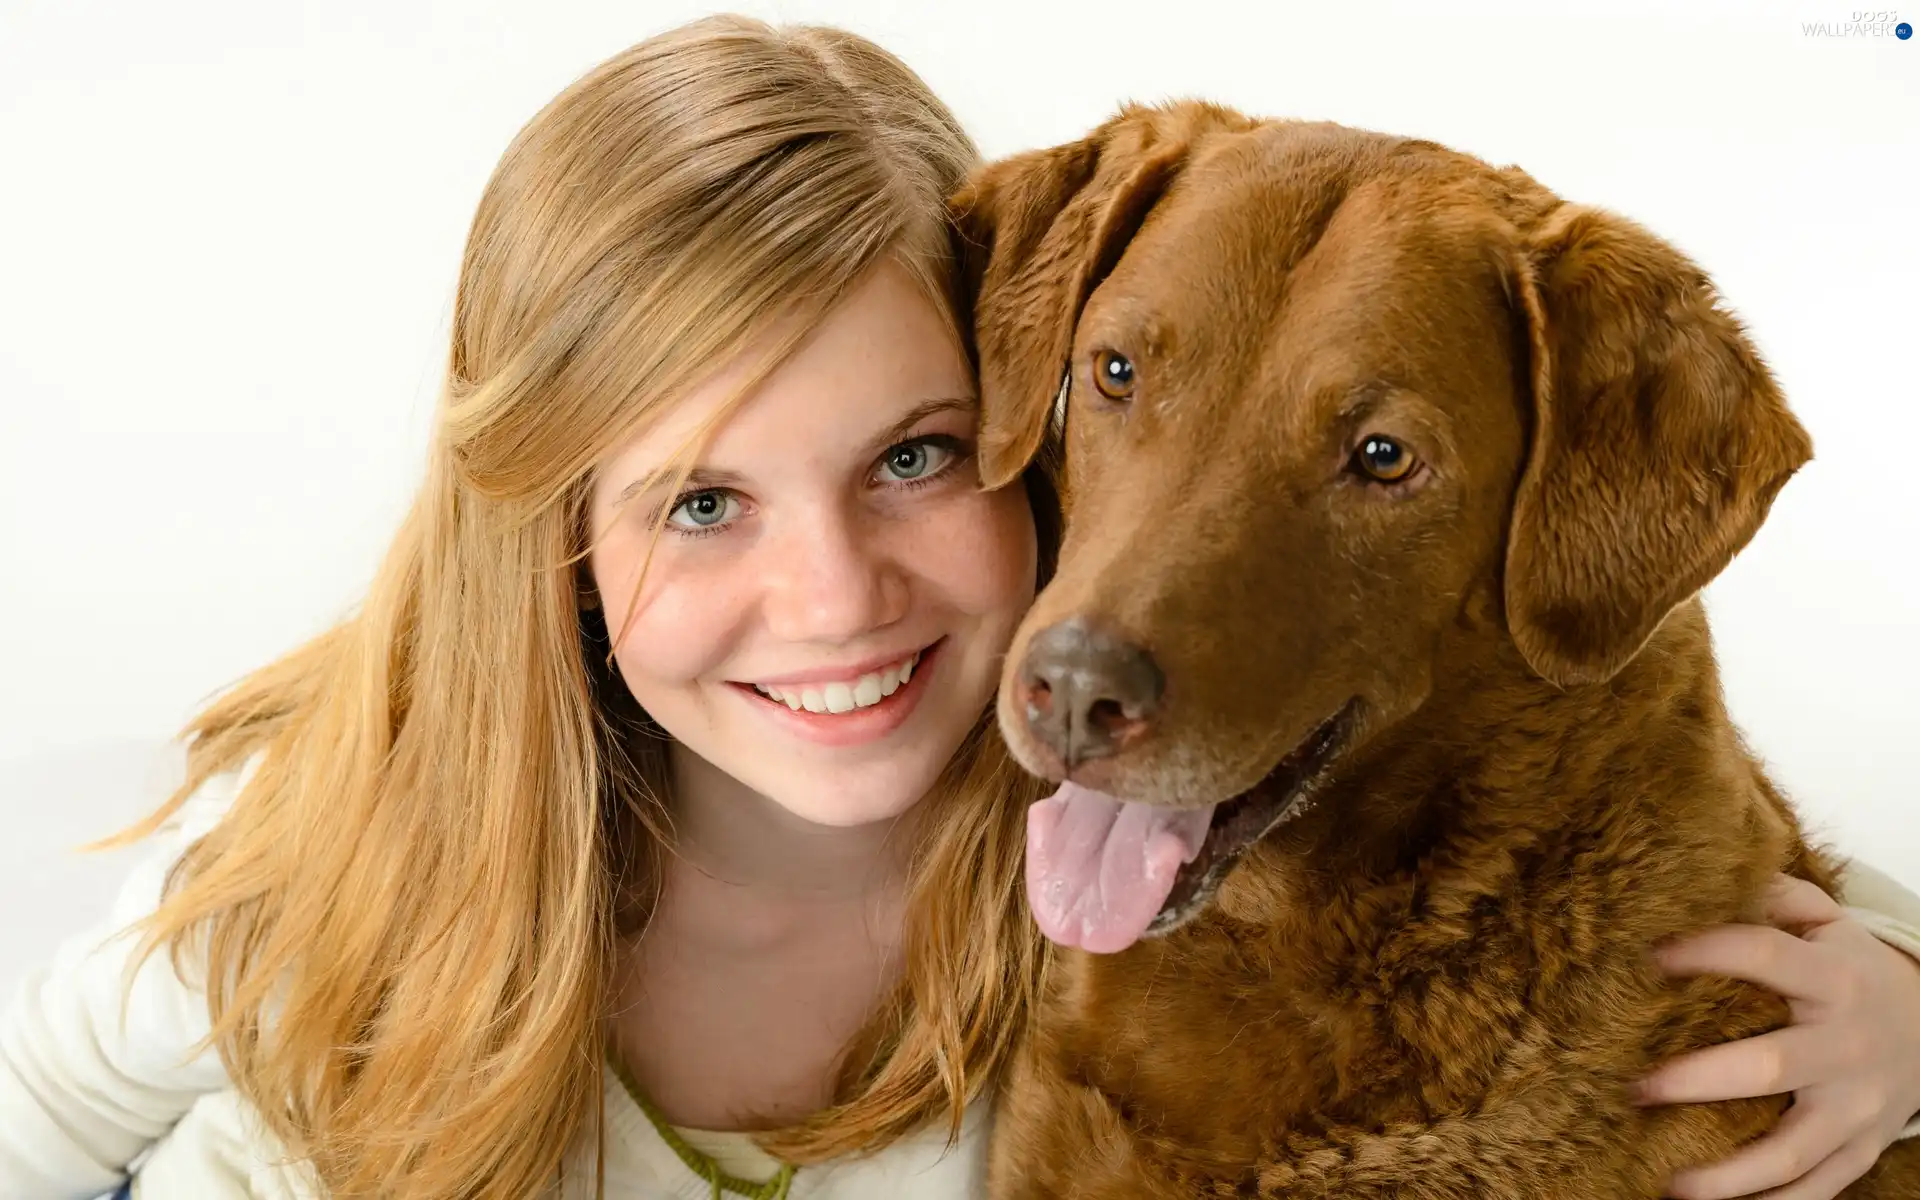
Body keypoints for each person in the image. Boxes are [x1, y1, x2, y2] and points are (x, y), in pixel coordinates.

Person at [2, 15, 1915, 1200]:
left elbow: (1700, 860)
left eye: (917, 458)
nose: (829, 597)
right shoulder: (345, 868)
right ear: (552, 535)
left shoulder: (1103, 853)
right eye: (699, 501)